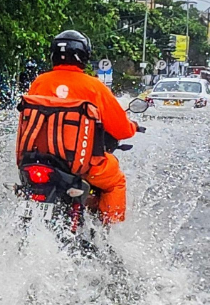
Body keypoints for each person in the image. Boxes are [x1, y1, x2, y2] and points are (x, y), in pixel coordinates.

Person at [21, 30, 138, 224]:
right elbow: (121, 130)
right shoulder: (93, 86)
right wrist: (132, 126)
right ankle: (110, 233)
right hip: (80, 165)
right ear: (84, 56)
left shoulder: (39, 82)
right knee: (116, 182)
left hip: (36, 161)